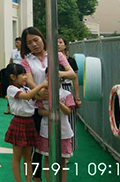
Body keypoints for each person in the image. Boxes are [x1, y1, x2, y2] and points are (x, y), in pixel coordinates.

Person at [20, 27, 76, 182]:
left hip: (57, 102)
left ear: (42, 38)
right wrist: (38, 93)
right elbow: (30, 81)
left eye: (36, 40)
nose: (34, 44)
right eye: (29, 43)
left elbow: (71, 73)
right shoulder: (26, 60)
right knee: (38, 147)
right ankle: (37, 177)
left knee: (59, 144)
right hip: (38, 107)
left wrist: (57, 74)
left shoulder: (57, 55)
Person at [4, 63, 48, 182]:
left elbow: (37, 96)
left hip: (29, 122)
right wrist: (41, 85)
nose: (25, 77)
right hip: (19, 122)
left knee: (28, 157)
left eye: (25, 74)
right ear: (13, 77)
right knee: (17, 156)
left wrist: (46, 89)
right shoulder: (11, 89)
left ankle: (28, 180)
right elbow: (27, 96)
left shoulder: (25, 88)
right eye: (22, 74)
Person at [37, 65, 75, 182]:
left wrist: (58, 103)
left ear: (61, 78)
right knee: (47, 158)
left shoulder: (66, 94)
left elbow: (68, 111)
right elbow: (40, 111)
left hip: (63, 131)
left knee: (62, 160)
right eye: (48, 76)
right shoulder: (42, 94)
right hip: (46, 131)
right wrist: (51, 112)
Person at [57, 36, 81, 150]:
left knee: (69, 118)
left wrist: (77, 97)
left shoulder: (71, 61)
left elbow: (75, 79)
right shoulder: (50, 59)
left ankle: (70, 147)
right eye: (56, 42)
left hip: (67, 88)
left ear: (65, 45)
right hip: (54, 88)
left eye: (60, 42)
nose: (58, 44)